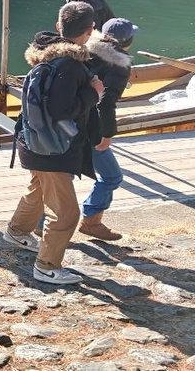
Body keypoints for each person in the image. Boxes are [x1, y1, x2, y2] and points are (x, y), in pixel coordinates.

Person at [3, 1, 102, 285]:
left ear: (60, 26)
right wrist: (93, 93)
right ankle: (47, 266)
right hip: (53, 148)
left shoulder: (44, 54)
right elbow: (62, 111)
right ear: (90, 29)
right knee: (67, 213)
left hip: (33, 140)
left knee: (38, 190)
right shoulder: (70, 66)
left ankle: (17, 232)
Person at [79, 17, 138, 241]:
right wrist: (107, 134)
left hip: (71, 119)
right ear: (128, 41)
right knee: (111, 177)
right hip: (92, 126)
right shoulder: (119, 65)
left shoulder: (85, 49)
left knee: (58, 175)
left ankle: (35, 221)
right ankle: (91, 222)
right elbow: (105, 101)